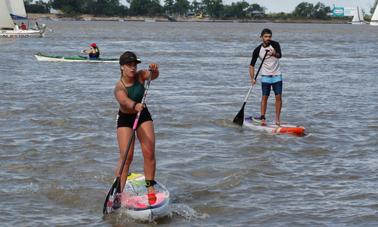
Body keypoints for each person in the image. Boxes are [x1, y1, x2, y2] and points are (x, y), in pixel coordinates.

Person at [113, 51, 159, 205]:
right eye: (129, 65)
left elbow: (153, 76)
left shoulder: (140, 75)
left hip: (142, 115)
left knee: (149, 151)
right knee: (127, 156)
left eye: (134, 65)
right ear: (122, 67)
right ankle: (118, 191)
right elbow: (124, 102)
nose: (133, 68)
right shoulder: (119, 87)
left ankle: (150, 188)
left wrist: (154, 70)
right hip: (126, 118)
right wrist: (135, 105)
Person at [250, 28, 283, 126]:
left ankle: (277, 119)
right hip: (265, 76)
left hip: (277, 75)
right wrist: (252, 78)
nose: (268, 38)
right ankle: (262, 118)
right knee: (265, 97)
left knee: (279, 97)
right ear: (261, 37)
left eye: (269, 36)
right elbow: (251, 65)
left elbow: (279, 55)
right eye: (266, 37)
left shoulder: (275, 44)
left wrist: (274, 53)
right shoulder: (257, 50)